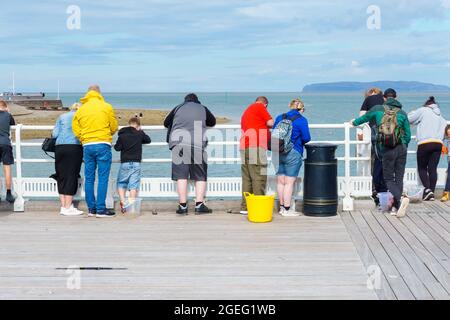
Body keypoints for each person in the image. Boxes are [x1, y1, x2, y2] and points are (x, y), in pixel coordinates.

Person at [352, 88, 411, 218]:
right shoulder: (402, 113)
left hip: (386, 148)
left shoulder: (378, 109)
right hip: (401, 148)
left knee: (388, 178)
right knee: (399, 177)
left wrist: (353, 123)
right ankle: (396, 207)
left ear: (384, 98)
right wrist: (403, 145)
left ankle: (400, 198)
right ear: (396, 97)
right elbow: (408, 135)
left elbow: (364, 118)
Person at [164, 93, 216, 215]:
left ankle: (183, 206)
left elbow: (166, 123)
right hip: (197, 144)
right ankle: (199, 205)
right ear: (197, 101)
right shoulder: (203, 108)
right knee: (200, 175)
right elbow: (212, 122)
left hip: (179, 144)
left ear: (185, 101)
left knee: (181, 176)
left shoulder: (178, 107)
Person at [72, 85, 118, 218]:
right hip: (103, 143)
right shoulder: (106, 106)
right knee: (103, 178)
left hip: (87, 145)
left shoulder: (81, 109)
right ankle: (101, 209)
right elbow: (114, 126)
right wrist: (107, 134)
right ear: (99, 93)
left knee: (89, 178)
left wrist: (83, 138)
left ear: (87, 94)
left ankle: (91, 209)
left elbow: (75, 128)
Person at [273, 98, 311, 217]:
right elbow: (307, 138)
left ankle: (281, 208)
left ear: (290, 106)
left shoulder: (280, 117)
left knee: (280, 181)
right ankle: (287, 209)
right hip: (293, 152)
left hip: (278, 151)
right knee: (289, 182)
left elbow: (274, 132)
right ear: (302, 109)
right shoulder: (302, 120)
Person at [408, 96, 447, 201]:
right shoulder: (441, 117)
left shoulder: (423, 110)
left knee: (422, 168)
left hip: (424, 143)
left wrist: (412, 113)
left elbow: (409, 119)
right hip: (438, 143)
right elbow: (444, 130)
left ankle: (427, 190)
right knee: (433, 169)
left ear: (427, 104)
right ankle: (431, 193)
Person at [239, 96, 274, 215]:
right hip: (256, 146)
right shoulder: (260, 107)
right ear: (265, 104)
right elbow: (270, 122)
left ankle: (245, 207)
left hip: (244, 146)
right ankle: (259, 206)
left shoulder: (246, 112)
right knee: (259, 175)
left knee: (247, 178)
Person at [114, 117, 151, 213]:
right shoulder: (139, 134)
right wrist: (141, 131)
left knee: (121, 183)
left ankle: (123, 202)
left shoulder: (122, 135)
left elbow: (117, 148)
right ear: (138, 126)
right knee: (133, 186)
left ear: (129, 124)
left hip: (125, 163)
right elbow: (148, 140)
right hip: (136, 163)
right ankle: (131, 207)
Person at [52, 103, 84, 216]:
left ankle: (64, 206)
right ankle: (68, 207)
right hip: (74, 147)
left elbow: (54, 134)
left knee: (61, 176)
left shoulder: (62, 116)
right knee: (72, 175)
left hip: (60, 147)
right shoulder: (80, 117)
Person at [358, 88, 387, 207]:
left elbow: (361, 117)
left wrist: (357, 127)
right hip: (389, 137)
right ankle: (386, 192)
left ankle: (374, 190)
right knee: (385, 164)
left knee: (373, 163)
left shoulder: (368, 100)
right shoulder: (385, 101)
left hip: (373, 134)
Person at [0, 101, 16, 204]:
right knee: (7, 169)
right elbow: (13, 124)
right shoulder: (8, 115)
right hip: (5, 143)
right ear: (5, 107)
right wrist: (8, 112)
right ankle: (9, 194)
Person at [441, 125, 450, 202]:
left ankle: (446, 192)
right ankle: (446, 193)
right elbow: (442, 137)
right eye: (448, 134)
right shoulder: (448, 140)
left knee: (449, 177)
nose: (449, 135)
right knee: (449, 176)